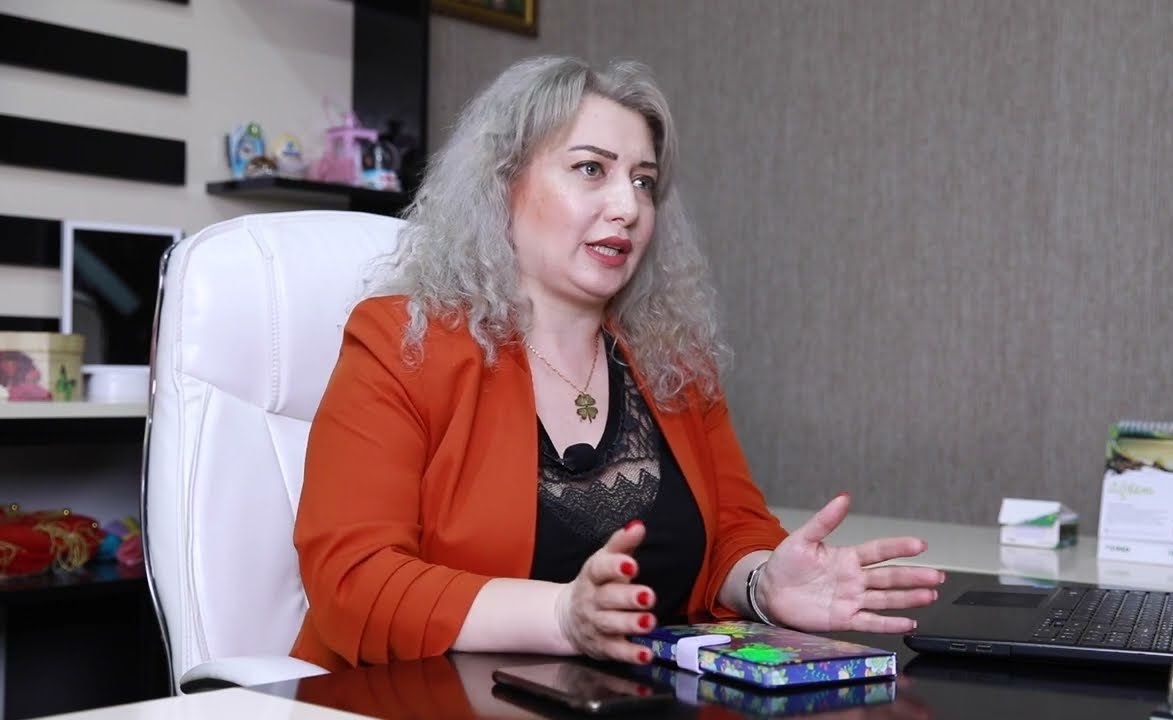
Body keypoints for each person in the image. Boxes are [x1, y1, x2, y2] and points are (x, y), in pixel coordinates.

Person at [291, 55, 945, 672]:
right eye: (589, 169)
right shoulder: (401, 343)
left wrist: (763, 584)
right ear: (503, 185)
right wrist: (559, 616)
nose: (627, 208)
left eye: (643, 182)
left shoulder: (672, 362)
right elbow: (354, 579)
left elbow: (732, 532)